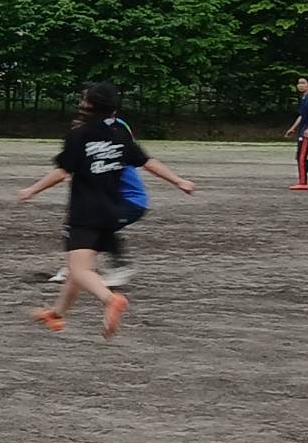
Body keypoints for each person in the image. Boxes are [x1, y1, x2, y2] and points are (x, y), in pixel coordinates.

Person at [19, 82, 193, 337]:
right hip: (111, 211)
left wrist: (32, 190)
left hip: (85, 212)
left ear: (89, 105)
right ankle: (56, 314)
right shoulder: (120, 135)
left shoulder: (78, 135)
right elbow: (147, 162)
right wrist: (179, 181)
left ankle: (110, 299)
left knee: (80, 270)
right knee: (78, 269)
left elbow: (62, 172)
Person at [48, 109, 147, 288]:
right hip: (116, 201)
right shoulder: (95, 150)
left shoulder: (107, 152)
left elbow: (64, 172)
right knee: (84, 229)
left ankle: (119, 267)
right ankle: (76, 267)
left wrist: (31, 190)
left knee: (97, 227)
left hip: (130, 201)